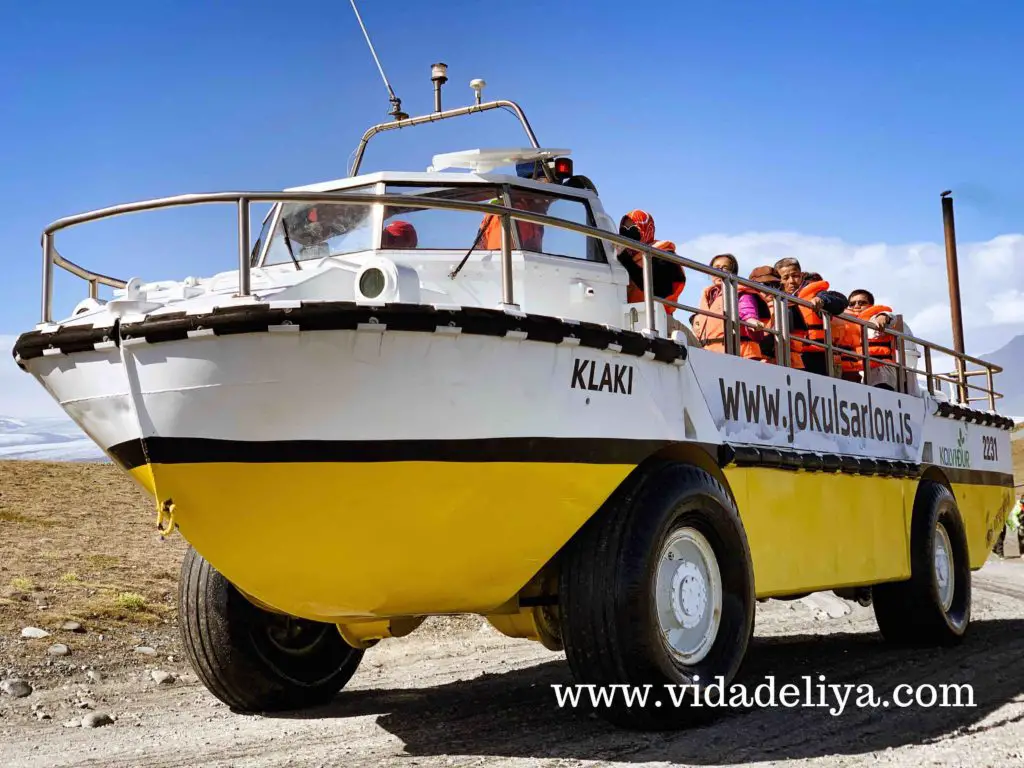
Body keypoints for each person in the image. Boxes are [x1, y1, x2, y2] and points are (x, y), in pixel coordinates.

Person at [774, 258, 849, 376]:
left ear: (801, 275)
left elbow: (841, 302)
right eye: (785, 278)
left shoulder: (816, 293)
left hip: (815, 356)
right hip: (787, 353)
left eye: (795, 276)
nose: (792, 281)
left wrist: (822, 300)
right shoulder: (774, 298)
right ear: (779, 280)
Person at [691, 254, 770, 360]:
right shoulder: (709, 295)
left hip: (740, 352)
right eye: (716, 268)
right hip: (711, 352)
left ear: (733, 273)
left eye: (725, 268)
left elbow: (747, 309)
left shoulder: (741, 291)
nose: (720, 271)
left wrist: (752, 321)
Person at [617, 211, 687, 312]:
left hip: (658, 319)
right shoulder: (626, 255)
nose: (627, 232)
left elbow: (659, 289)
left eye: (633, 229)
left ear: (647, 229)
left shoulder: (664, 255)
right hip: (632, 316)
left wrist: (625, 259)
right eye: (623, 229)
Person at [480, 160, 552, 251]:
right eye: (545, 187)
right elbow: (506, 260)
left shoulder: (534, 212)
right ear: (529, 185)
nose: (548, 197)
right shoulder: (514, 212)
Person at [747, 265, 804, 368]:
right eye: (766, 285)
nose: (772, 289)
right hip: (755, 362)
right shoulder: (743, 306)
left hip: (781, 365)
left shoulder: (787, 307)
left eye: (776, 285)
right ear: (752, 286)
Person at [848, 289, 899, 390]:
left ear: (870, 305)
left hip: (881, 371)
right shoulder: (847, 323)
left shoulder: (875, 318)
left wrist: (883, 317)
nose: (857, 306)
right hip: (859, 371)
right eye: (852, 304)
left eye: (862, 302)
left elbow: (890, 317)